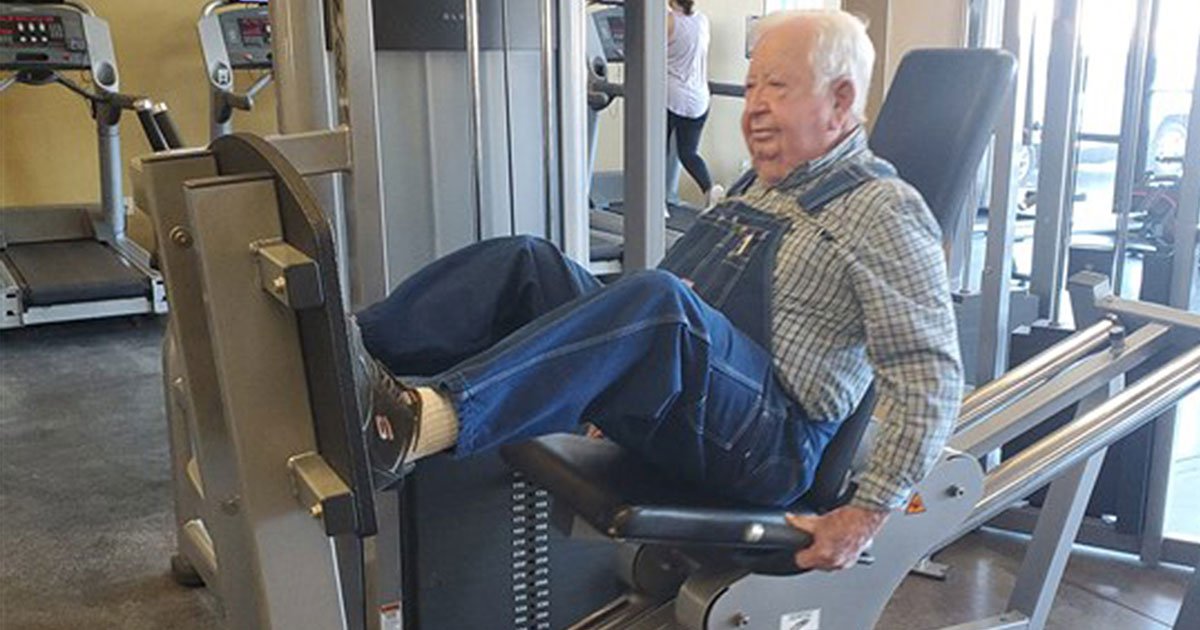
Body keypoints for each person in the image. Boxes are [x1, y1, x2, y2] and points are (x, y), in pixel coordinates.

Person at [351, 9, 963, 572]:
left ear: (841, 100)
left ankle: (413, 426)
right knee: (530, 262)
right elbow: (693, 294)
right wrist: (608, 374)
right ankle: (354, 350)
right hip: (700, 409)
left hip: (770, 447)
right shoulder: (761, 184)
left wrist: (867, 514)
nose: (752, 107)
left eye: (776, 86)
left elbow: (930, 379)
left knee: (659, 303)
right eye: (750, 88)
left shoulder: (884, 210)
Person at [666, 0, 723, 206]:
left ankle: (655, 205)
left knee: (655, 153)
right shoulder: (702, 20)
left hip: (672, 97)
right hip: (699, 99)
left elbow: (648, 53)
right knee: (688, 153)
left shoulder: (667, 22)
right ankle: (709, 190)